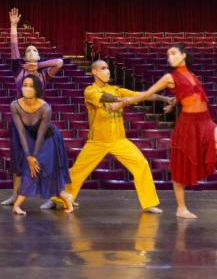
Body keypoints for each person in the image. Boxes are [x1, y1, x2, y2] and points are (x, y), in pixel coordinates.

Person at [118, 44, 217, 219]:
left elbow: (189, 95)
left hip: (205, 120)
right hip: (187, 123)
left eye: (173, 53)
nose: (169, 57)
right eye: (168, 55)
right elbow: (146, 94)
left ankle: (198, 161)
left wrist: (173, 102)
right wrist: (122, 103)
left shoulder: (193, 76)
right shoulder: (168, 77)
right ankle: (181, 208)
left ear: (183, 55)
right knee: (180, 168)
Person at [63, 60, 170, 214]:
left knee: (142, 164)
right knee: (77, 171)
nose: (107, 71)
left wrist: (166, 99)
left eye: (108, 68)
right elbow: (105, 97)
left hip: (119, 140)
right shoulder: (90, 90)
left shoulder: (116, 89)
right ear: (94, 72)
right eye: (103, 68)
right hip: (97, 141)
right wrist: (124, 101)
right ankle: (61, 199)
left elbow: (143, 95)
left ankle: (149, 203)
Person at [2, 7, 65, 208]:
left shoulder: (44, 74)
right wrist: (13, 26)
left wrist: (39, 65)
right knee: (18, 159)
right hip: (21, 120)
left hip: (40, 121)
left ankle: (50, 198)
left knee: (44, 159)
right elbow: (14, 48)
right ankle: (15, 195)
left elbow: (59, 62)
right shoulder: (18, 70)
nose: (30, 52)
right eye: (28, 50)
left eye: (34, 50)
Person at [10, 75, 73, 215]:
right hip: (31, 138)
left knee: (40, 169)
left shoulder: (45, 107)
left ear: (37, 89)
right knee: (30, 169)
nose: (27, 88)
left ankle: (65, 197)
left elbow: (41, 135)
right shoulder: (15, 105)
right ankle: (17, 205)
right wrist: (28, 155)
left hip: (48, 139)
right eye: (24, 85)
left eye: (31, 86)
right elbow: (21, 132)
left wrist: (33, 156)